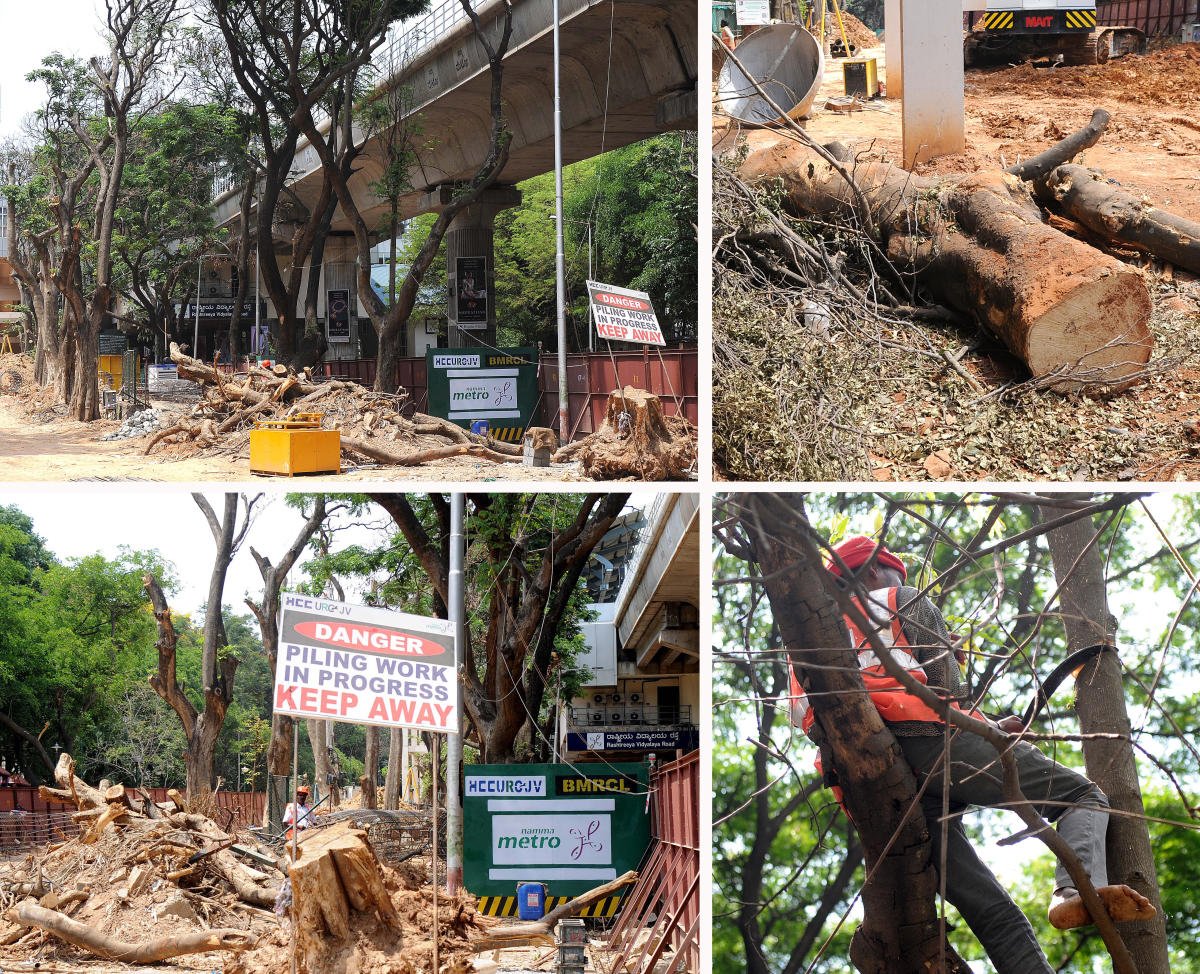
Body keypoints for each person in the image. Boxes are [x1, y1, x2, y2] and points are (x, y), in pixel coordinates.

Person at [790, 535, 1156, 974]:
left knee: (993, 912)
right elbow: (949, 689)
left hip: (874, 793)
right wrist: (971, 700)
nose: (902, 581)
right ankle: (1072, 892)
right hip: (932, 743)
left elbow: (810, 723)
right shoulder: (897, 600)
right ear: (871, 570)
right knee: (1082, 796)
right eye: (893, 571)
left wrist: (987, 727)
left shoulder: (802, 650)